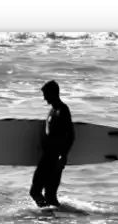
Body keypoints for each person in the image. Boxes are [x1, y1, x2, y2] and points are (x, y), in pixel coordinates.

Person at [30, 80, 76, 209]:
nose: (44, 98)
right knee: (46, 195)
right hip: (48, 157)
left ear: (53, 93)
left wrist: (64, 156)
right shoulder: (53, 110)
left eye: (45, 94)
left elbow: (71, 135)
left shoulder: (62, 110)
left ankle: (49, 216)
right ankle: (53, 217)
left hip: (54, 158)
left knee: (40, 193)